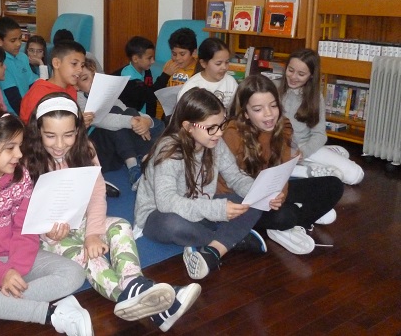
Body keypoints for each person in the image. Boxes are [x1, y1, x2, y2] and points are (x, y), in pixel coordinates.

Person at [23, 93, 201, 332]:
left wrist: (93, 233)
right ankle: (146, 300)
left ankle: (135, 286)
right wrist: (48, 233)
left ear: (78, 130)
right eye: (50, 135)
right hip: (48, 235)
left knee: (121, 225)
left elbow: (97, 193)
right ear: (38, 131)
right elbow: (24, 211)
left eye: (68, 135)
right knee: (89, 256)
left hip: (81, 220)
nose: (60, 144)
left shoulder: (85, 149)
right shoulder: (26, 161)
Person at [0, 108, 93, 336]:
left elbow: (26, 231)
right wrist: (1, 273)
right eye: (10, 148)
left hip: (21, 258)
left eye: (20, 146)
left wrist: (13, 271)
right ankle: (53, 313)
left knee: (74, 273)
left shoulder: (21, 178)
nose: (19, 154)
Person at [134, 88, 265, 280]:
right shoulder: (169, 150)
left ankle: (215, 249)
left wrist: (262, 192)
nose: (219, 133)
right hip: (159, 215)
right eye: (211, 128)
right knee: (173, 224)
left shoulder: (215, 143)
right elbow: (166, 202)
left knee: (254, 200)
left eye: (222, 125)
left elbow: (236, 178)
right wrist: (217, 210)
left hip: (199, 208)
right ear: (188, 127)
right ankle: (234, 239)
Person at [223, 74, 344, 254]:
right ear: (245, 113)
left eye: (273, 106)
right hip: (243, 201)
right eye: (258, 109)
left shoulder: (283, 127)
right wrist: (269, 199)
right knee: (286, 215)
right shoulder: (232, 133)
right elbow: (229, 186)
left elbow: (283, 171)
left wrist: (281, 195)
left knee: (334, 185)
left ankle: (291, 225)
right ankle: (287, 223)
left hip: (271, 193)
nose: (269, 114)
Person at [280, 49, 364, 185]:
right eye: (290, 70)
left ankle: (316, 159)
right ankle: (308, 169)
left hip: (303, 146)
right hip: (279, 148)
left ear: (311, 75)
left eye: (301, 74)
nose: (293, 77)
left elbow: (319, 134)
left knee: (355, 175)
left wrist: (303, 152)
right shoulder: (274, 89)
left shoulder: (315, 98)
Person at [76, 57, 164, 187]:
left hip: (116, 148)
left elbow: (126, 110)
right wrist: (132, 121)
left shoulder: (104, 94)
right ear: (76, 85)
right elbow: (101, 120)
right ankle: (135, 164)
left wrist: (146, 121)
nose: (93, 82)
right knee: (116, 115)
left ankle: (145, 159)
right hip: (97, 151)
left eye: (95, 77)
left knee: (133, 113)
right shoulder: (79, 100)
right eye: (85, 79)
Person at [19, 40, 91, 124]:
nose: (80, 70)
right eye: (74, 64)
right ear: (56, 63)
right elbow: (31, 128)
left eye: (82, 65)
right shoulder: (39, 93)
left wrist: (80, 123)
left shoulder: (72, 91)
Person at [0, 16, 38, 115]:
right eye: (13, 41)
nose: (18, 44)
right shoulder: (0, 62)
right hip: (12, 114)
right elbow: (12, 96)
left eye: (20, 39)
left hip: (27, 109)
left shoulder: (23, 57)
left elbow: (33, 84)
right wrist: (26, 116)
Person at [177, 37, 237, 111]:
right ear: (203, 63)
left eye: (227, 62)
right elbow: (182, 114)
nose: (224, 67)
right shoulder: (192, 87)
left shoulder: (231, 82)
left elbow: (236, 109)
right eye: (218, 63)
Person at [114, 36, 168, 117]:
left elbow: (150, 97)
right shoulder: (129, 79)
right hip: (131, 118)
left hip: (146, 117)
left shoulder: (146, 70)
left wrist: (151, 118)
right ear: (135, 59)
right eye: (149, 58)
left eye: (153, 57)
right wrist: (166, 75)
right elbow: (151, 95)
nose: (153, 61)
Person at [154, 27, 198, 119]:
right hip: (170, 113)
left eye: (182, 54)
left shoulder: (199, 68)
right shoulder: (169, 65)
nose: (177, 58)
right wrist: (157, 118)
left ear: (194, 52)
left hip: (190, 114)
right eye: (174, 54)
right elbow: (160, 96)